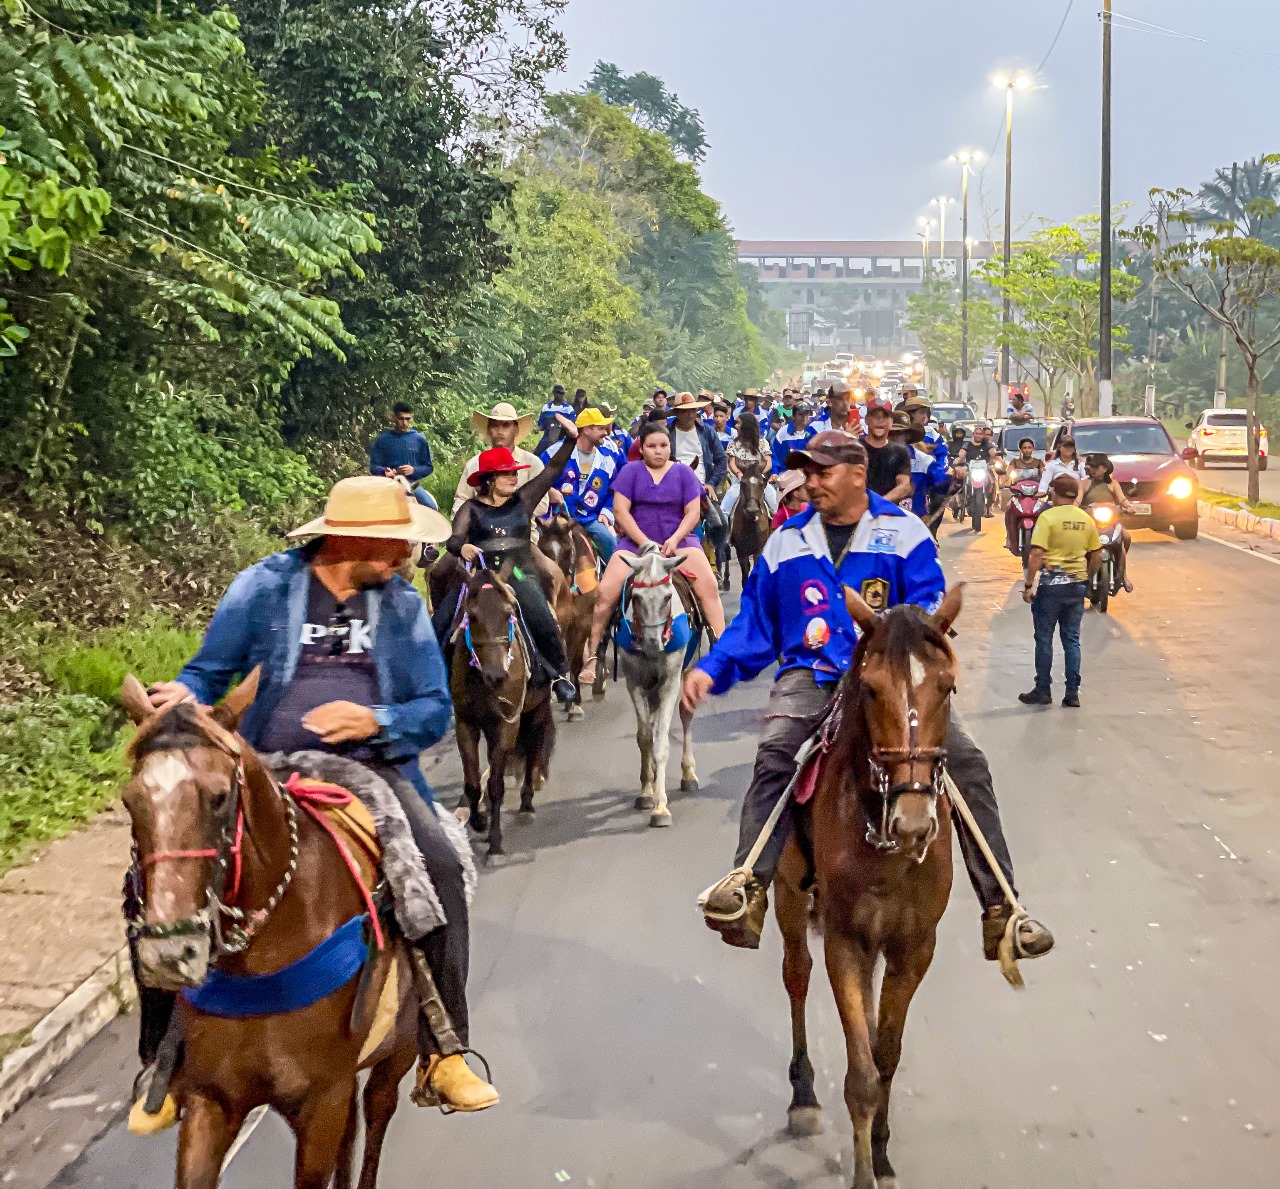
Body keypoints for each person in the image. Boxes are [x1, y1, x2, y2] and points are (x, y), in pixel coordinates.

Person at [142, 476, 497, 1115]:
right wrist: (184, 693)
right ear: (348, 539)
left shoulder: (403, 606)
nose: (403, 557)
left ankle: (445, 1049)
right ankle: (164, 1060)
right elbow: (207, 671)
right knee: (154, 878)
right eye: (391, 545)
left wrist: (377, 722)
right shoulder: (264, 587)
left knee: (439, 863)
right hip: (265, 769)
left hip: (371, 771)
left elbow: (434, 709)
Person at [684, 431, 1054, 962]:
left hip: (890, 680)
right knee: (776, 753)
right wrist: (710, 669)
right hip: (813, 674)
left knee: (968, 763)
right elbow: (755, 625)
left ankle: (1002, 908)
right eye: (806, 473)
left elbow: (928, 609)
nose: (811, 482)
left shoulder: (903, 534)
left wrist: (891, 640)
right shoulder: (786, 541)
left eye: (822, 472)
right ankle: (749, 884)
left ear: (857, 474)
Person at [440, 416, 581, 704]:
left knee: (539, 613)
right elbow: (453, 538)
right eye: (507, 474)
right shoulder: (471, 507)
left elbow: (553, 469)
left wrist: (571, 440)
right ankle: (436, 682)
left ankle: (559, 674)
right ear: (490, 480)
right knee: (441, 620)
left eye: (514, 473)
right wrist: (462, 547)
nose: (514, 478)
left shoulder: (524, 500)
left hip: (516, 572)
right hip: (481, 576)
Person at [584, 422, 728, 680]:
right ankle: (593, 655)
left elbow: (693, 513)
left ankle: (721, 650)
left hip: (680, 542)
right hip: (635, 544)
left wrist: (674, 538)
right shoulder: (630, 472)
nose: (658, 451)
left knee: (708, 586)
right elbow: (621, 511)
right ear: (642, 449)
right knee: (605, 591)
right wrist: (644, 543)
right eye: (652, 446)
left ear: (670, 447)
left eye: (663, 446)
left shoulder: (684, 473)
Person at [1020, 475, 1102, 708]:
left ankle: (1043, 689)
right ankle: (1072, 693)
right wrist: (1087, 578)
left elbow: (1036, 554)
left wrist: (1028, 585)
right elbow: (1096, 554)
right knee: (1072, 639)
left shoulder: (1048, 517)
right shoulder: (1086, 519)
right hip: (1076, 586)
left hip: (1051, 587)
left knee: (1044, 639)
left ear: (1055, 493)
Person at [546, 407, 624, 561]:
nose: (606, 433)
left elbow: (613, 493)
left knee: (609, 541)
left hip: (589, 519)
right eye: (601, 428)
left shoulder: (607, 460)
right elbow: (538, 479)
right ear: (587, 429)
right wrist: (549, 491)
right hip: (555, 516)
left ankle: (618, 583)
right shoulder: (554, 452)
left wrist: (606, 513)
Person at [453, 402, 542, 515]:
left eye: (505, 425)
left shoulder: (533, 464)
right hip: (481, 528)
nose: (499, 431)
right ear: (489, 430)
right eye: (494, 425)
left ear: (516, 430)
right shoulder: (474, 464)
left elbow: (542, 506)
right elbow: (461, 500)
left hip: (522, 530)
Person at [1081, 452, 1138, 592]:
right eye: (1090, 466)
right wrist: (1075, 509)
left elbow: (1122, 499)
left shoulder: (1113, 484)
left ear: (1105, 468)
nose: (1092, 469)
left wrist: (1129, 507)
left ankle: (1123, 574)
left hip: (1110, 522)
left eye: (1096, 466)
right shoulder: (1084, 483)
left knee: (1126, 537)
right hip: (1090, 522)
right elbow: (1077, 500)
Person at [369, 402, 439, 509]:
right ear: (394, 418)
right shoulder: (383, 440)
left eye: (408, 419)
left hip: (411, 486)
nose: (405, 423)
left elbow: (428, 467)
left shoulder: (419, 440)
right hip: (388, 485)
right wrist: (385, 472)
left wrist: (413, 470)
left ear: (412, 418)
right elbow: (374, 466)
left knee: (432, 507)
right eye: (401, 419)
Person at [666, 391, 728, 499]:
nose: (690, 414)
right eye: (685, 411)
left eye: (693, 410)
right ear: (677, 412)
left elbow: (722, 460)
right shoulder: (666, 433)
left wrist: (711, 483)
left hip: (702, 487)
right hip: (672, 487)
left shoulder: (707, 431)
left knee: (717, 516)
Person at [722, 407, 779, 522]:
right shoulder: (734, 444)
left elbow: (769, 463)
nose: (735, 425)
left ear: (746, 425)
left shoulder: (762, 443)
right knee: (724, 510)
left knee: (775, 505)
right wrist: (739, 474)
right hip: (740, 482)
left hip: (760, 482)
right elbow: (732, 463)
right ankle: (725, 536)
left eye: (738, 423)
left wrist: (757, 474)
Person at [861, 393, 913, 503]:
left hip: (889, 512)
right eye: (875, 416)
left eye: (885, 416)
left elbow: (904, 485)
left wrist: (880, 503)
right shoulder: (855, 449)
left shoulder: (900, 452)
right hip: (858, 511)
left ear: (891, 422)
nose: (880, 420)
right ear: (866, 420)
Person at [1003, 437, 1046, 553]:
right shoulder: (1015, 462)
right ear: (1020, 449)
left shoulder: (1038, 463)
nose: (1027, 450)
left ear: (1033, 449)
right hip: (1019, 494)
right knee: (1008, 508)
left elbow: (1045, 476)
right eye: (1024, 448)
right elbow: (1008, 475)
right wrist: (1003, 483)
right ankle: (1009, 536)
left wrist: (1048, 485)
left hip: (1035, 495)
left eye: (1029, 447)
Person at [770, 399, 816, 475]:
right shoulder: (783, 432)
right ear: (793, 416)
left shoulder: (813, 432)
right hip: (786, 473)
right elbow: (775, 454)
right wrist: (775, 472)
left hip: (807, 473)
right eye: (800, 414)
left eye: (806, 414)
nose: (804, 417)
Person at [534, 384, 575, 453]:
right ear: (554, 393)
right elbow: (542, 423)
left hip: (563, 438)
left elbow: (573, 424)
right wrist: (538, 428)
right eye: (558, 393)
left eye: (562, 393)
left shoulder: (568, 408)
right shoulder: (547, 407)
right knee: (536, 455)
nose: (560, 395)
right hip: (547, 437)